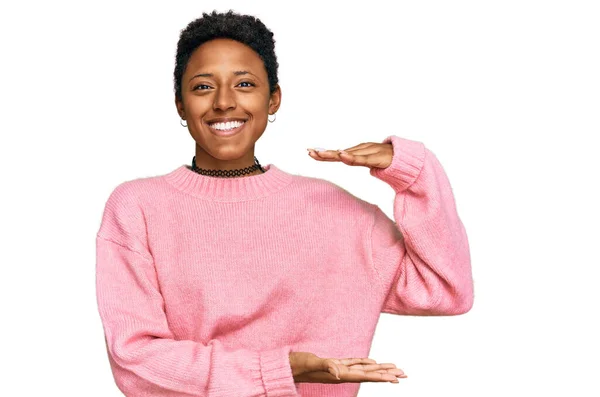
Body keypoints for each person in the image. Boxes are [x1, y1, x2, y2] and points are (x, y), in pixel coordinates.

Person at [95, 9, 474, 397]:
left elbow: (446, 289)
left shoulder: (336, 212)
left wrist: (413, 172)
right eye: (203, 87)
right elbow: (135, 358)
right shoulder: (137, 207)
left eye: (244, 84)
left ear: (273, 99)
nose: (224, 102)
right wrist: (278, 370)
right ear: (180, 104)